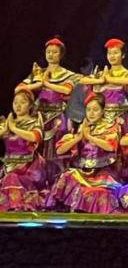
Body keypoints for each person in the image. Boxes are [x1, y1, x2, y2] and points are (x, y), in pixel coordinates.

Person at [46, 92, 122, 213]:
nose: (91, 113)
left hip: (102, 172)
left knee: (97, 192)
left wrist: (90, 137)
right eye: (88, 109)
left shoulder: (110, 127)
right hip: (83, 171)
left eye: (95, 110)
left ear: (103, 111)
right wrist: (79, 137)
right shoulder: (82, 127)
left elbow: (111, 147)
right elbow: (60, 150)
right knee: (66, 176)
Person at [19, 36, 80, 182]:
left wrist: (46, 83)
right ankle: (37, 181)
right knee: (37, 150)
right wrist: (38, 83)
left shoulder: (67, 74)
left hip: (57, 116)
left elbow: (67, 90)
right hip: (39, 117)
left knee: (56, 151)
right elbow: (19, 89)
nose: (51, 55)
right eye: (48, 52)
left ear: (61, 54)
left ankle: (58, 183)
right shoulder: (38, 73)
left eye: (54, 52)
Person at [78, 38, 128, 133]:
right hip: (102, 116)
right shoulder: (101, 74)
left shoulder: (127, 74)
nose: (112, 56)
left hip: (119, 115)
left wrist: (108, 79)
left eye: (115, 53)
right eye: (109, 53)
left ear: (123, 55)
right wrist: (100, 80)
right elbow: (82, 80)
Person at [0, 87, 47, 211]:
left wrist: (14, 129)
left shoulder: (34, 123)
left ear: (30, 105)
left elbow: (35, 137)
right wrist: (5, 130)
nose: (18, 106)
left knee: (12, 178)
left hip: (29, 167)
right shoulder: (6, 123)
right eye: (15, 102)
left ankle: (17, 206)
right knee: (9, 176)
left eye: (23, 102)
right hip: (8, 165)